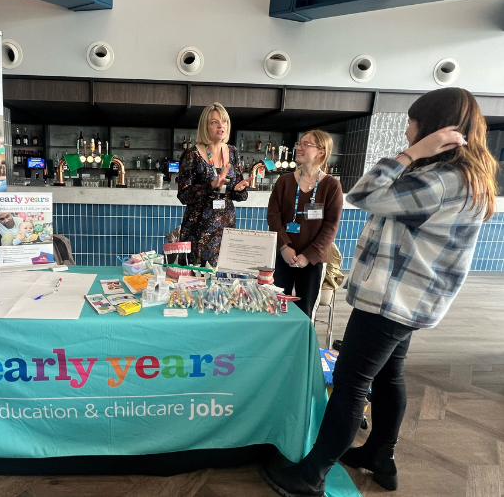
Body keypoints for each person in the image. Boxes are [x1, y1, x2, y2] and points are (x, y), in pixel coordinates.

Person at [259, 87, 499, 497]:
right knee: (388, 375)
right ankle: (379, 455)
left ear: (433, 127)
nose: (406, 128)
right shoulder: (462, 175)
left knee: (352, 383)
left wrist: (411, 153)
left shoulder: (441, 180)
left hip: (393, 300)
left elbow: (363, 195)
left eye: (412, 122)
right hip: (410, 300)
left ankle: (311, 474)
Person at [266, 130, 343, 320]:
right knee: (276, 307)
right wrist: (284, 247)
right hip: (282, 256)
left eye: (306, 144)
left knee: (305, 311)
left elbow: (330, 227)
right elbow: (273, 217)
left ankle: (299, 348)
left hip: (313, 260)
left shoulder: (331, 186)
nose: (299, 147)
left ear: (321, 152)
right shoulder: (284, 182)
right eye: (300, 143)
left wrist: (308, 256)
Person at [177, 102, 252, 267]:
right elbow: (183, 195)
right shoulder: (192, 155)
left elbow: (236, 191)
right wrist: (211, 185)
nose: (221, 125)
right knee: (195, 280)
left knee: (222, 280)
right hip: (198, 229)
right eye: (214, 122)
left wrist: (240, 189)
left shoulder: (233, 152)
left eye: (224, 121)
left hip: (225, 227)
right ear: (205, 126)